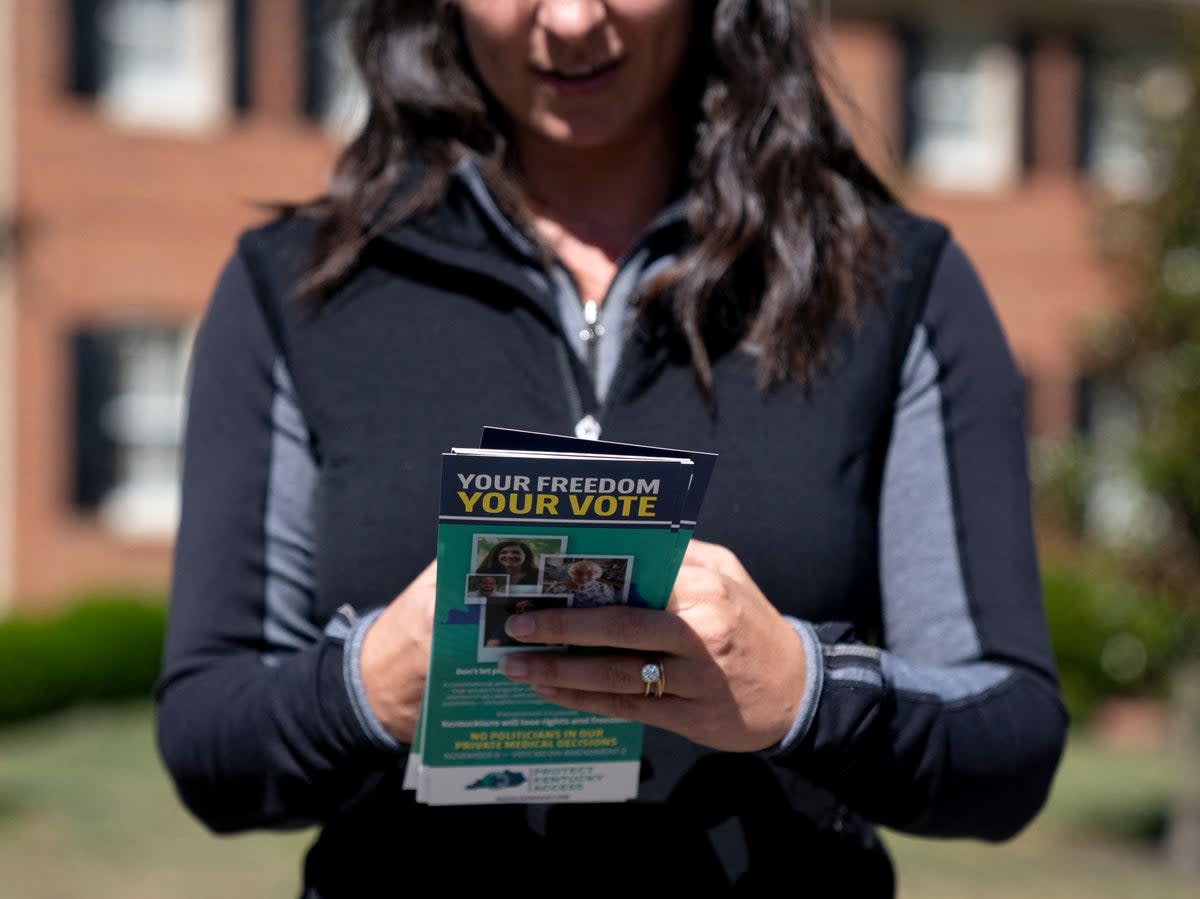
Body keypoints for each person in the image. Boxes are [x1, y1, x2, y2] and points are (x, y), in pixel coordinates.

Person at [155, 1, 1068, 896]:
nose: (572, 20)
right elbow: (209, 742)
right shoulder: (297, 284)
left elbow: (1008, 740)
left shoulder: (890, 282)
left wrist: (808, 693)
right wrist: (367, 686)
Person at [547, 558, 618, 607]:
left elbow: (611, 606)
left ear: (597, 575)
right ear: (571, 574)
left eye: (590, 573)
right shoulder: (559, 588)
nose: (584, 577)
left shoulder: (602, 587)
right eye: (578, 573)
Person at [475, 540, 540, 586]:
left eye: (516, 552)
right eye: (504, 552)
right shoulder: (483, 573)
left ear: (526, 556)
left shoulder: (538, 575)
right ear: (496, 556)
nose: (509, 556)